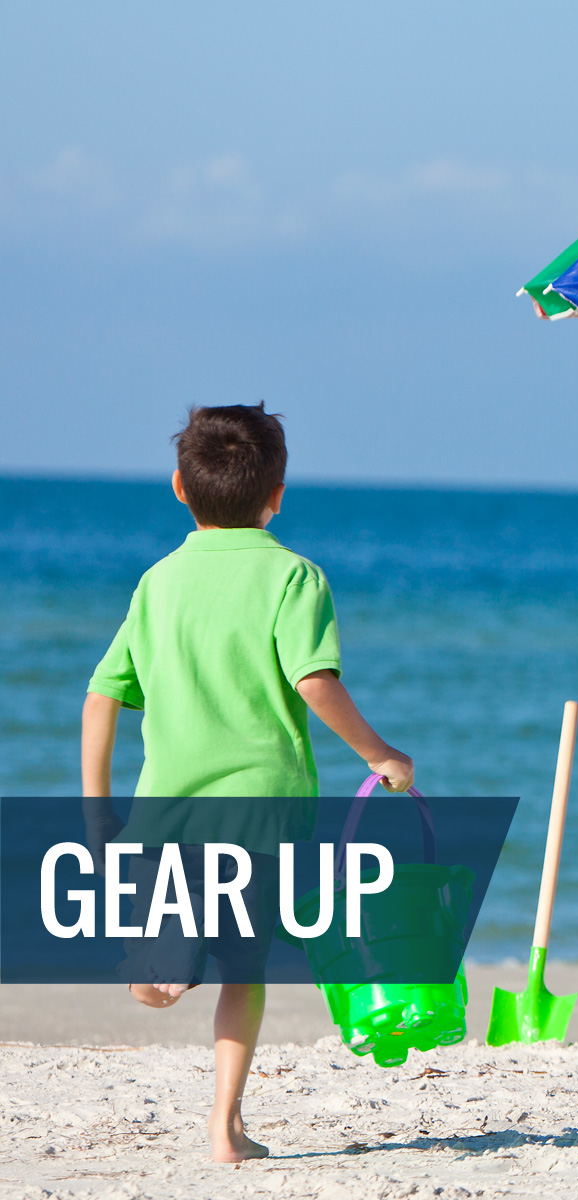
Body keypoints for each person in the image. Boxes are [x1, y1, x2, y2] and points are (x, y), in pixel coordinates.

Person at [81, 403, 415, 1163]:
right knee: (248, 967)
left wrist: (98, 814)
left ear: (178, 487)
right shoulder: (294, 576)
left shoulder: (158, 583)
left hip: (167, 812)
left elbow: (102, 696)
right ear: (278, 493)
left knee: (160, 963)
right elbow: (314, 681)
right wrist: (379, 752)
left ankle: (157, 961)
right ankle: (224, 1127)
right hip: (264, 814)